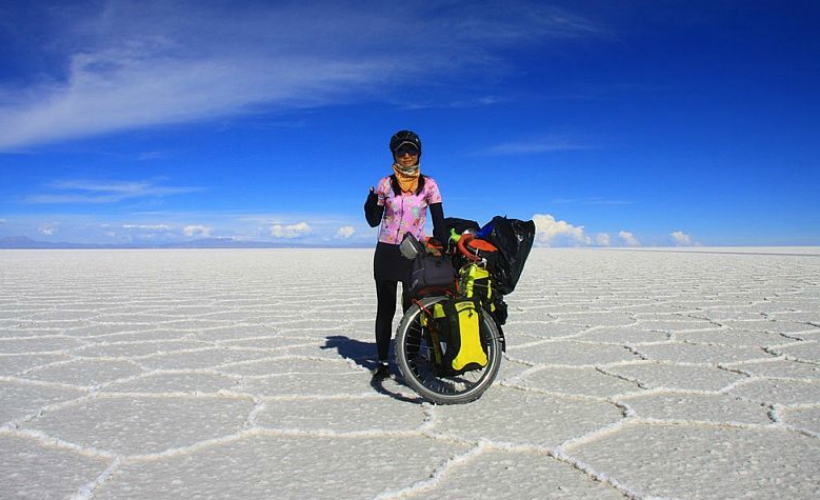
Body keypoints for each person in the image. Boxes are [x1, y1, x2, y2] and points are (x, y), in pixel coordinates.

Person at [364, 130, 447, 378]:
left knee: (412, 308)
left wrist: (444, 247)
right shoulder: (385, 184)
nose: (407, 155)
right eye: (401, 150)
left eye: (411, 150)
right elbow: (372, 220)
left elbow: (439, 222)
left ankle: (410, 360)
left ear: (419, 153)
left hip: (413, 252)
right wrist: (370, 200)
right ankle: (382, 363)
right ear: (394, 153)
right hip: (387, 252)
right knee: (385, 309)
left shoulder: (429, 185)